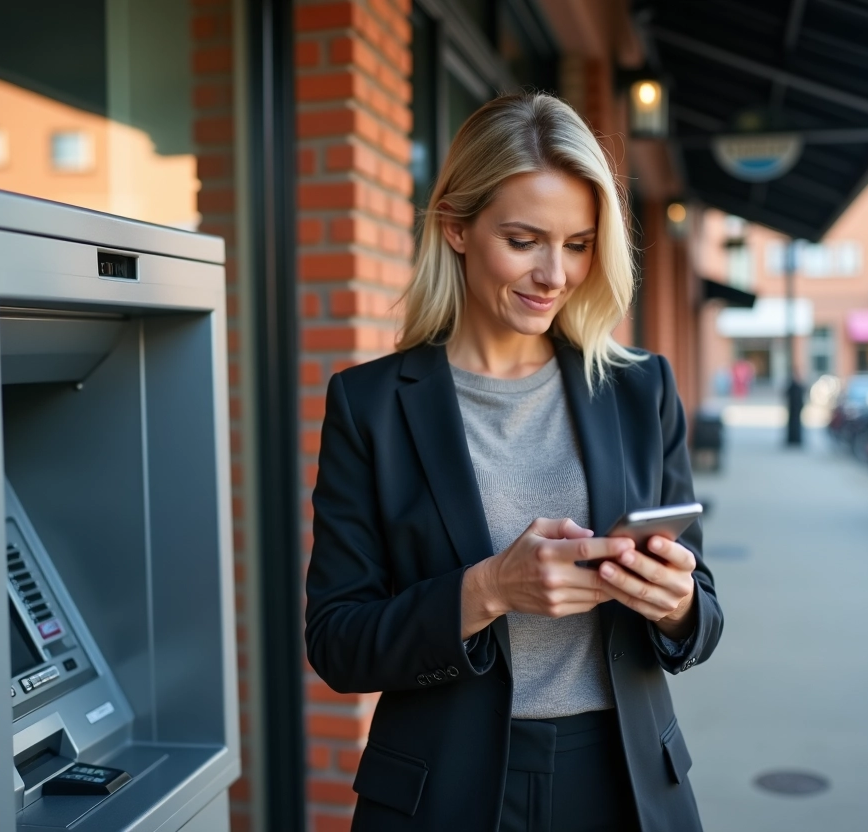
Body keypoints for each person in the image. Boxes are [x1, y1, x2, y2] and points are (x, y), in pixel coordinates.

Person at [305, 92, 723, 832]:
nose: (555, 276)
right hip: (444, 789)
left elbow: (705, 613)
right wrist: (489, 588)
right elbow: (338, 643)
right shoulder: (369, 405)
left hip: (622, 780)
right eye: (525, 240)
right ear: (457, 229)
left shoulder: (639, 388)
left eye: (578, 244)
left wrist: (677, 602)